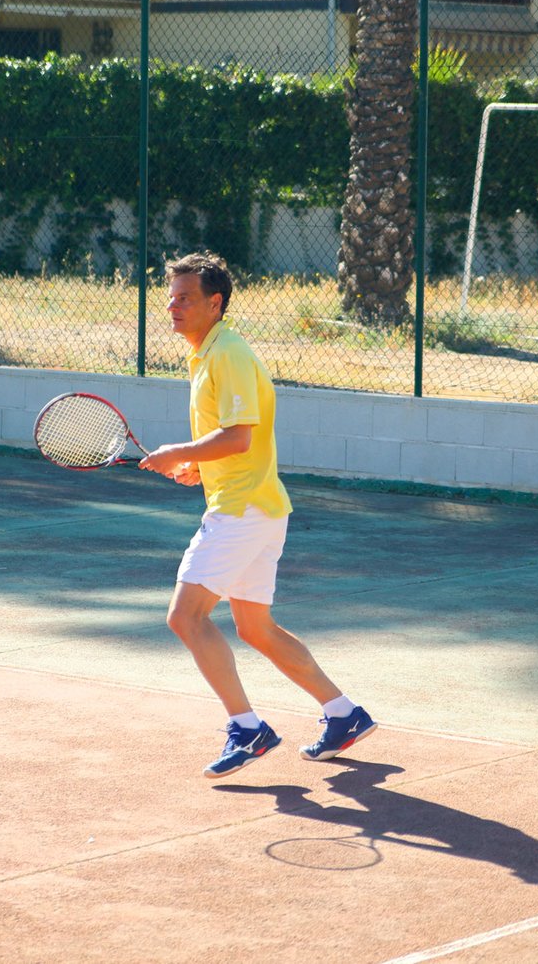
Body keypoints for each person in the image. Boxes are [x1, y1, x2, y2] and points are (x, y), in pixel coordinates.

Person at [138, 252, 376, 779]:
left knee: (185, 617)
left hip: (243, 512)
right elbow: (232, 443)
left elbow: (240, 436)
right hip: (256, 507)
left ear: (214, 303)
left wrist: (179, 452)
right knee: (255, 627)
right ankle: (344, 714)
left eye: (185, 298)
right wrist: (198, 468)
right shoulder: (207, 353)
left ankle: (247, 729)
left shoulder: (228, 353)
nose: (173, 307)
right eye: (171, 298)